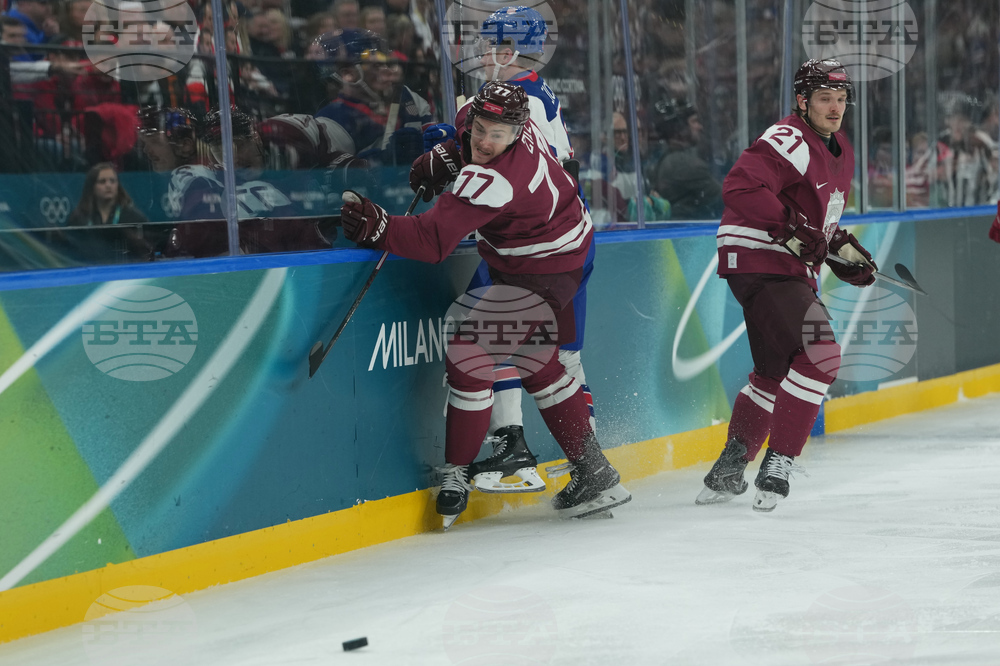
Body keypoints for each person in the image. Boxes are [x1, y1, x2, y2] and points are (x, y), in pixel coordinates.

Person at [340, 81, 631, 529]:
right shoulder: (514, 125)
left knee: (469, 358)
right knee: (538, 363)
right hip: (570, 248)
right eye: (479, 128)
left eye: (496, 134)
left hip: (540, 269)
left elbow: (433, 241)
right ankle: (595, 473)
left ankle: (457, 472)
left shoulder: (496, 179)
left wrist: (378, 227)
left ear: (517, 131)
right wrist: (452, 152)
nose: (485, 140)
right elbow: (466, 133)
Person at [421, 6, 599, 497]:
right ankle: (590, 464)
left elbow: (500, 164)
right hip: (567, 240)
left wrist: (450, 148)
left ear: (506, 48)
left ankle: (512, 446)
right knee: (560, 354)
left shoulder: (518, 100)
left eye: (488, 45)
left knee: (484, 338)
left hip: (537, 250)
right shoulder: (536, 94)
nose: (481, 54)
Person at [700, 59, 877, 513]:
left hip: (782, 266)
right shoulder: (790, 136)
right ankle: (779, 461)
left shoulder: (841, 148)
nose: (836, 108)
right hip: (761, 260)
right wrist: (790, 230)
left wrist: (844, 254)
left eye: (841, 100)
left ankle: (729, 466)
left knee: (774, 373)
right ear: (802, 101)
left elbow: (816, 224)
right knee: (821, 355)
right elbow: (741, 186)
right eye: (825, 99)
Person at [313, 28, 430, 166]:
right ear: (348, 74)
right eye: (375, 66)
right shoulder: (330, 120)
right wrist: (381, 159)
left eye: (386, 63)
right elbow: (334, 179)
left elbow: (438, 146)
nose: (387, 70)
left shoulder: (408, 98)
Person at [64, 162, 153, 262]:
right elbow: (70, 252)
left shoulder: (133, 217)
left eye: (112, 181)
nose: (108, 185)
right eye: (102, 181)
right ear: (92, 187)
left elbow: (146, 251)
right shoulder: (79, 218)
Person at [652, 97, 723, 220]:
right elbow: (728, 200)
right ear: (680, 127)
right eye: (694, 122)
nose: (699, 127)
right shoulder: (684, 164)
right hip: (691, 236)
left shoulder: (667, 159)